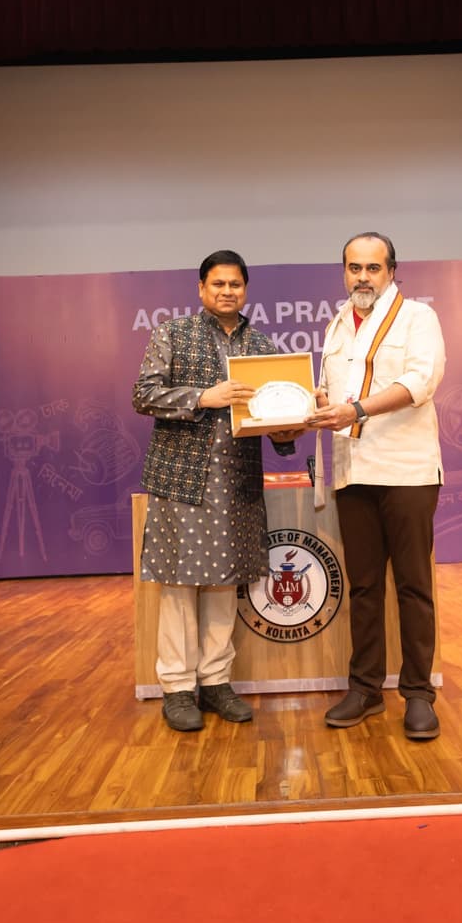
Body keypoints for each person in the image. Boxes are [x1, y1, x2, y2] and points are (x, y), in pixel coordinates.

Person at [133, 250, 299, 733]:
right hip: (181, 480)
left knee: (225, 584)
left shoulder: (263, 347)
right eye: (218, 284)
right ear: (202, 289)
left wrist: (286, 432)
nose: (228, 291)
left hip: (237, 481)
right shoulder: (173, 334)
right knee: (181, 587)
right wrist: (204, 397)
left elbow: (275, 419)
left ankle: (217, 682)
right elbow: (143, 393)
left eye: (236, 284)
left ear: (246, 290)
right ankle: (178, 688)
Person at [307, 233, 447, 740]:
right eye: (353, 268)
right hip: (352, 471)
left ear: (391, 271)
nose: (362, 277)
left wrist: (357, 409)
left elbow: (420, 383)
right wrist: (322, 403)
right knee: (364, 587)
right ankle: (365, 689)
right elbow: (338, 391)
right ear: (343, 272)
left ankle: (417, 695)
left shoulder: (418, 318)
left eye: (372, 267)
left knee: (413, 586)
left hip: (406, 470)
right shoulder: (338, 324)